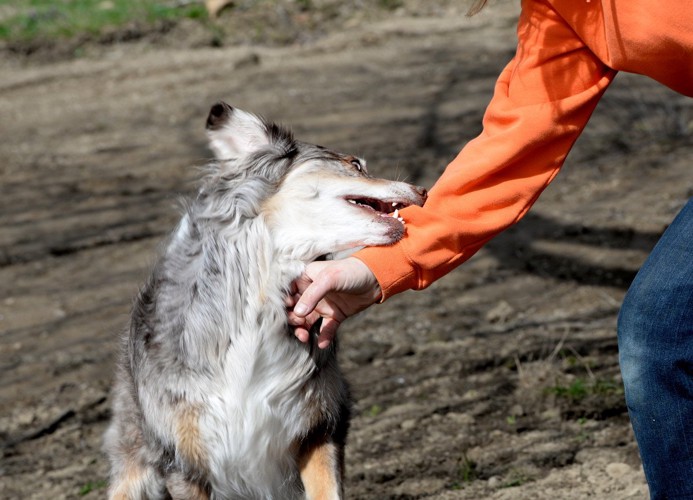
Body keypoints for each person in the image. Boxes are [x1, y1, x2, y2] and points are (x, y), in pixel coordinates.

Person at [287, 0, 693, 498]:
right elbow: (516, 147)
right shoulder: (561, 10)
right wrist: (377, 264)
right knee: (660, 336)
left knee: (665, 331)